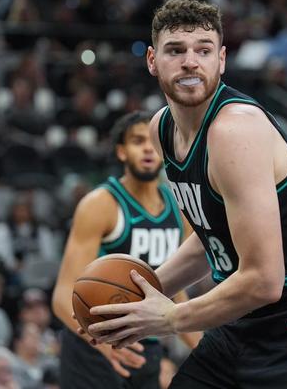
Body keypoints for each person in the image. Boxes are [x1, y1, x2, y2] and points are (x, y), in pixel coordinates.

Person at [86, 0, 287, 388]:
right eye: (175, 50)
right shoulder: (161, 129)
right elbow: (211, 238)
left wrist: (168, 317)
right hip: (242, 317)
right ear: (152, 60)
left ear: (221, 60)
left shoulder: (235, 129)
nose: (190, 62)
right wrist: (135, 298)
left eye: (203, 50)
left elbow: (264, 280)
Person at [52, 111, 201, 389]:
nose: (147, 148)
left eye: (153, 142)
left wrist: (201, 347)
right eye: (137, 141)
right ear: (121, 152)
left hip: (145, 341)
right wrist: (103, 344)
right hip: (93, 344)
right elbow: (62, 296)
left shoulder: (179, 207)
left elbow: (171, 288)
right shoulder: (100, 204)